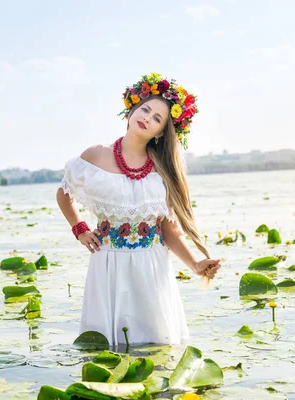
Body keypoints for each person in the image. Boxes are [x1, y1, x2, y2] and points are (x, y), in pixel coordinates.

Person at [56, 72, 221, 346]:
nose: (147, 117)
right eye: (145, 109)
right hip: (107, 263)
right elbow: (64, 193)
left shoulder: (162, 169)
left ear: (161, 132)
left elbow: (168, 229)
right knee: (107, 349)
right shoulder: (96, 154)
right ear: (132, 109)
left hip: (151, 266)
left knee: (156, 348)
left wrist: (195, 264)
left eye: (157, 118)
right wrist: (80, 229)